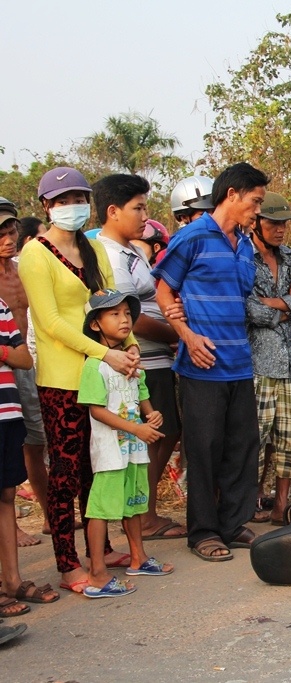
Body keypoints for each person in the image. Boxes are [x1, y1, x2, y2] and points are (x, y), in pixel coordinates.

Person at [20, 167, 140, 593]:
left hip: (103, 372)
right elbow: (50, 322)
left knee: (99, 466)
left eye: (78, 199)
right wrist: (105, 352)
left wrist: (130, 347)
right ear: (46, 206)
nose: (72, 207)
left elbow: (111, 302)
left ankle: (99, 551)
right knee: (65, 473)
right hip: (63, 378)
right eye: (62, 200)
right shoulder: (35, 253)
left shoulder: (94, 249)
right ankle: (67, 562)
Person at [152, 162, 266, 562]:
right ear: (232, 195)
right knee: (203, 449)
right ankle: (203, 531)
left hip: (240, 362)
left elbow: (242, 298)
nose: (257, 211)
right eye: (255, 201)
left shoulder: (246, 245)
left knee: (242, 447)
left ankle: (232, 524)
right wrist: (186, 334)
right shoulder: (192, 237)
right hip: (201, 365)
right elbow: (163, 292)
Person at [93, 174, 184, 541]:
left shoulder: (130, 250)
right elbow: (129, 318)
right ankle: (142, 515)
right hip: (140, 358)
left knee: (165, 431)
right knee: (155, 433)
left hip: (155, 356)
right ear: (113, 211)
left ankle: (143, 511)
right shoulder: (110, 257)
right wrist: (179, 334)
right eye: (138, 208)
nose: (145, 216)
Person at [78, 290, 173, 597]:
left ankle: (138, 557)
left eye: (128, 314)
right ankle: (97, 573)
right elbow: (96, 410)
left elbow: (142, 397)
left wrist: (151, 415)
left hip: (133, 449)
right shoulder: (96, 365)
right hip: (110, 452)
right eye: (115, 314)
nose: (124, 320)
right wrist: (136, 428)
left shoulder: (132, 362)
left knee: (133, 503)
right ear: (95, 324)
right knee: (101, 509)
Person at [246, 192, 291, 524]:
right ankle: (248, 502)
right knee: (255, 438)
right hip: (259, 361)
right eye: (273, 223)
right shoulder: (243, 257)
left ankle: (281, 506)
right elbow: (249, 309)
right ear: (256, 223)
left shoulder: (289, 256)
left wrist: (275, 304)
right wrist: (287, 307)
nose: (281, 229)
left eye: (284, 223)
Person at [0, 292, 60, 615]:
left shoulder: (1, 307)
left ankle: (12, 580)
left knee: (7, 494)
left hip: (7, 412)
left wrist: (3, 352)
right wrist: (8, 354)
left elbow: (24, 359)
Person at [0, 202, 48, 548]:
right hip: (4, 370)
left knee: (34, 439)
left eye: (11, 231)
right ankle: (11, 523)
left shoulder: (22, 270)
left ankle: (48, 514)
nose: (8, 239)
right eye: (0, 234)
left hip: (27, 362)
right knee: (7, 444)